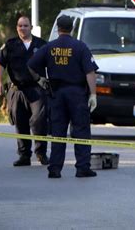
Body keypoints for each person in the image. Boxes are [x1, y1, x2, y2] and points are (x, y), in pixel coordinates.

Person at [28, 15, 99, 179]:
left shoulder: (49, 47)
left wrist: (39, 80)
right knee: (81, 130)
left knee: (58, 132)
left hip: (56, 94)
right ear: (72, 27)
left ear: (58, 28)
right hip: (77, 94)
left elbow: (31, 65)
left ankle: (54, 169)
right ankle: (82, 167)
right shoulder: (80, 47)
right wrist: (93, 94)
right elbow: (90, 72)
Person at [0, 15, 49, 167]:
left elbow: (52, 65)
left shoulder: (41, 44)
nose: (22, 28)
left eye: (25, 25)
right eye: (19, 26)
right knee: (20, 122)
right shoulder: (10, 45)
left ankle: (41, 153)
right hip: (17, 90)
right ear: (17, 28)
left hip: (36, 89)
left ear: (31, 27)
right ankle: (24, 155)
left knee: (39, 120)